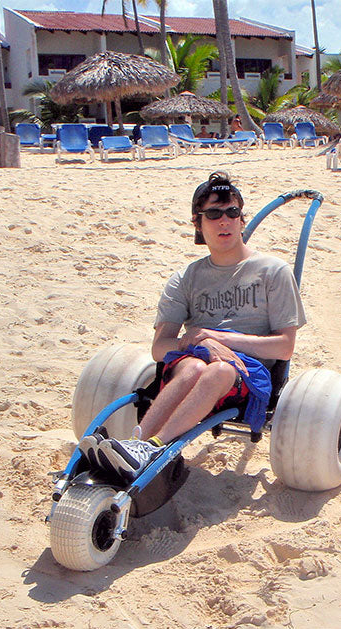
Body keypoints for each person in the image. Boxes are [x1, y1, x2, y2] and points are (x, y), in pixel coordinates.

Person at [80, 172, 306, 480]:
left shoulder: (273, 271)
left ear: (242, 220)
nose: (224, 221)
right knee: (195, 368)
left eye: (232, 212)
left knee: (219, 369)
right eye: (213, 214)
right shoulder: (185, 279)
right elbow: (160, 348)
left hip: (245, 373)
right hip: (191, 362)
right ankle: (136, 443)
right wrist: (199, 345)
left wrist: (216, 338)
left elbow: (285, 345)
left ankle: (152, 445)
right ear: (198, 224)